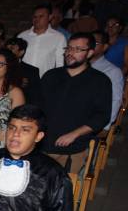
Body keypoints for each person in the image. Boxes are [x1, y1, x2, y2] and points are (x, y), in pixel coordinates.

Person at [41, 33, 111, 174]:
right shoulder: (51, 75)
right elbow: (37, 106)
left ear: (90, 53)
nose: (70, 53)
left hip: (72, 149)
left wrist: (74, 134)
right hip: (42, 145)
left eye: (78, 49)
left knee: (63, 191)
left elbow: (102, 116)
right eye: (69, 48)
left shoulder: (99, 81)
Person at [18, 4, 66, 77]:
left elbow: (60, 64)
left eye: (41, 16)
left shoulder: (59, 37)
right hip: (22, 80)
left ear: (49, 17)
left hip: (44, 81)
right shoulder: (22, 36)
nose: (37, 19)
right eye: (35, 17)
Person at [90, 30, 125, 126]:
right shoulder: (77, 66)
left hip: (92, 123)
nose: (90, 45)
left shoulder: (112, 71)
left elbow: (115, 101)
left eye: (95, 43)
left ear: (104, 47)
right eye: (89, 42)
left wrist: (104, 127)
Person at [5, 37, 42, 106]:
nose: (7, 52)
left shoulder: (31, 71)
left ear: (21, 52)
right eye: (6, 49)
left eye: (11, 49)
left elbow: (35, 98)